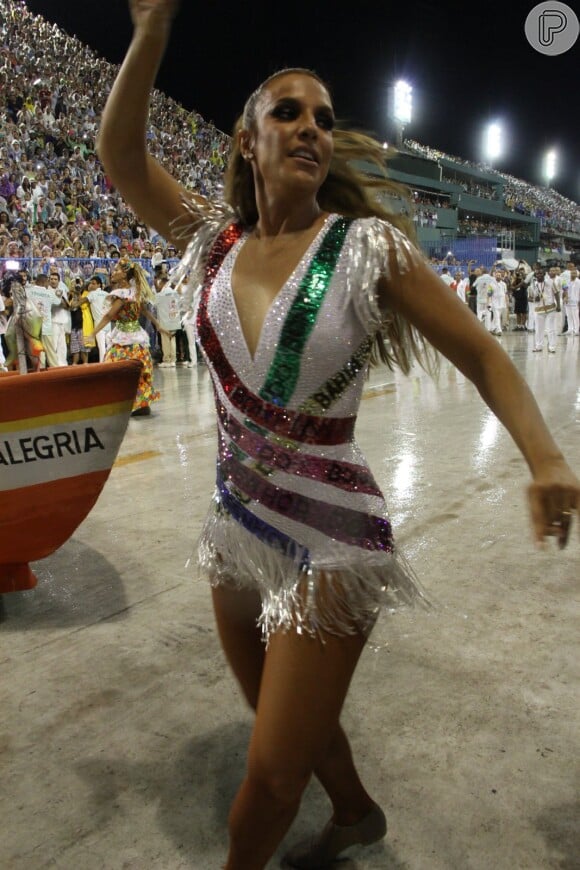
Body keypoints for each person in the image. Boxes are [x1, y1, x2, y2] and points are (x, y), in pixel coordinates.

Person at [98, 3, 580, 868]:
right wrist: (151, 36)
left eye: (324, 117)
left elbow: (483, 355)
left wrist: (546, 458)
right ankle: (357, 813)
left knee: (272, 778)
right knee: (290, 731)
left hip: (332, 541)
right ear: (248, 139)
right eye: (288, 112)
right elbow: (122, 157)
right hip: (233, 532)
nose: (312, 128)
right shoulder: (208, 245)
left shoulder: (370, 248)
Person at [90, 257, 165, 416]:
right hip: (136, 337)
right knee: (137, 369)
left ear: (125, 275)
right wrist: (157, 324)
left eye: (117, 270)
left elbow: (109, 316)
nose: (113, 272)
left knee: (116, 367)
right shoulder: (135, 292)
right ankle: (141, 405)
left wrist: (93, 332)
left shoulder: (122, 295)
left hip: (123, 338)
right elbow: (144, 310)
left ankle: (125, 404)